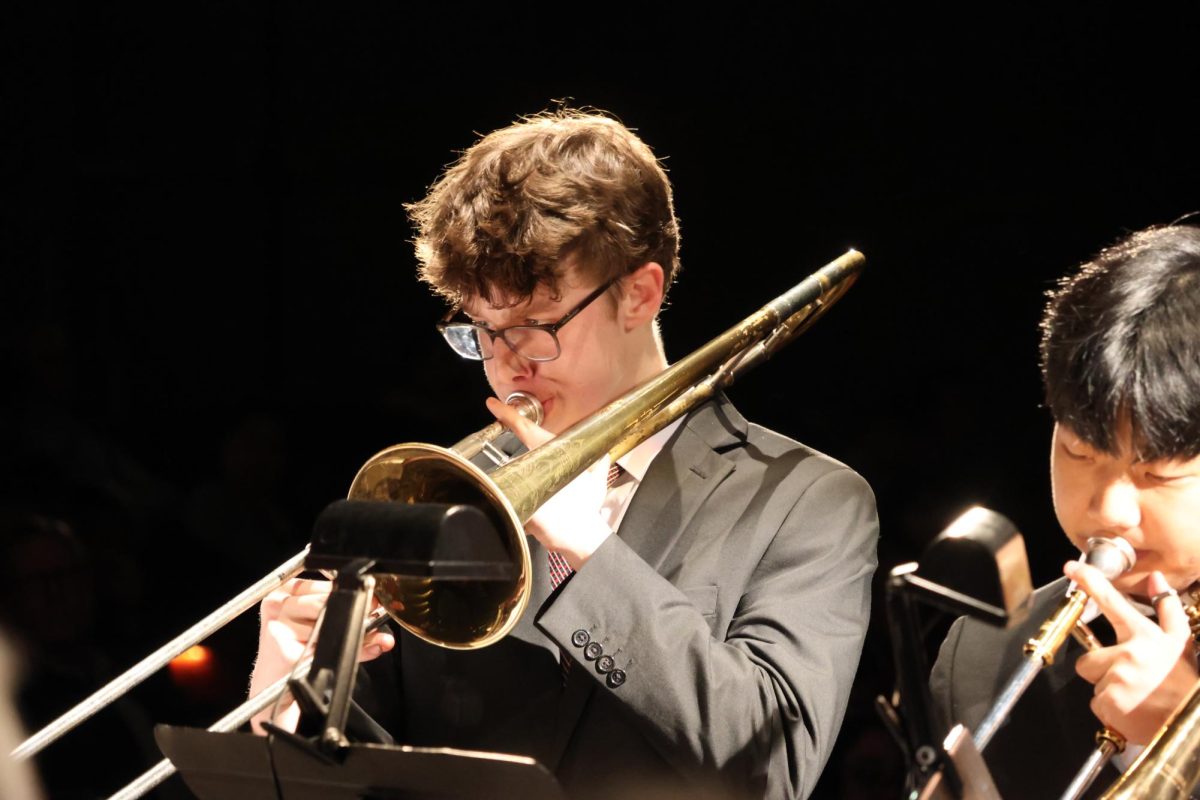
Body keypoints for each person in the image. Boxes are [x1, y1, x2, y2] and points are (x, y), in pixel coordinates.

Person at [250, 109, 878, 800]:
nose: (506, 366)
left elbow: (772, 766)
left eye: (535, 327)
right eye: (482, 331)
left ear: (640, 293)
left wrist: (593, 555)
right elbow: (353, 769)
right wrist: (285, 688)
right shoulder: (446, 496)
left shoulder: (806, 501)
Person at [930, 224, 1200, 797]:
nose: (1110, 509)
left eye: (1159, 474)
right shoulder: (979, 657)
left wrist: (1186, 744)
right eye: (1080, 451)